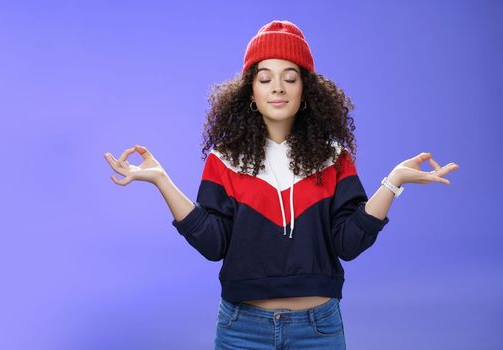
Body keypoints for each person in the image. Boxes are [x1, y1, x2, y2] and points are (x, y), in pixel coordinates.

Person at [102, 20, 459, 349]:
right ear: (250, 92)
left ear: (306, 90)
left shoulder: (334, 158)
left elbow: (348, 243)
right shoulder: (224, 160)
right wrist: (162, 181)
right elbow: (214, 244)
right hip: (241, 328)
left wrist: (393, 182)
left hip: (318, 329)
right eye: (264, 77)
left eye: (290, 77)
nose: (277, 87)